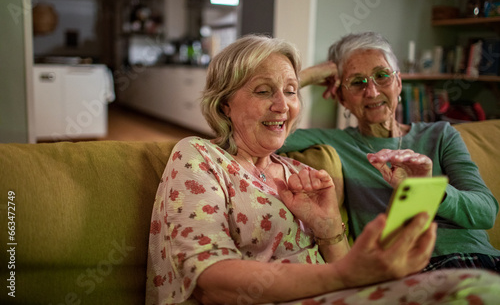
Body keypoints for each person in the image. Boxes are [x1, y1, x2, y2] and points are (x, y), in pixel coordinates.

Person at [146, 34, 500, 305]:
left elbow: (486, 211)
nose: (282, 105)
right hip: (399, 276)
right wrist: (317, 74)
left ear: (399, 81)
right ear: (224, 105)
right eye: (263, 90)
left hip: (462, 263)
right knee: (480, 292)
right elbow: (209, 275)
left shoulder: (298, 171)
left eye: (290, 90)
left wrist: (330, 226)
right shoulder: (201, 156)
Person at [280, 31, 500, 272]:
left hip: (481, 258)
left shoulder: (441, 135)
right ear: (342, 98)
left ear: (398, 83)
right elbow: (258, 129)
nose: (372, 92)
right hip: (415, 271)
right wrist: (308, 76)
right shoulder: (337, 142)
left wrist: (429, 189)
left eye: (382, 76)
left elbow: (486, 212)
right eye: (357, 82)